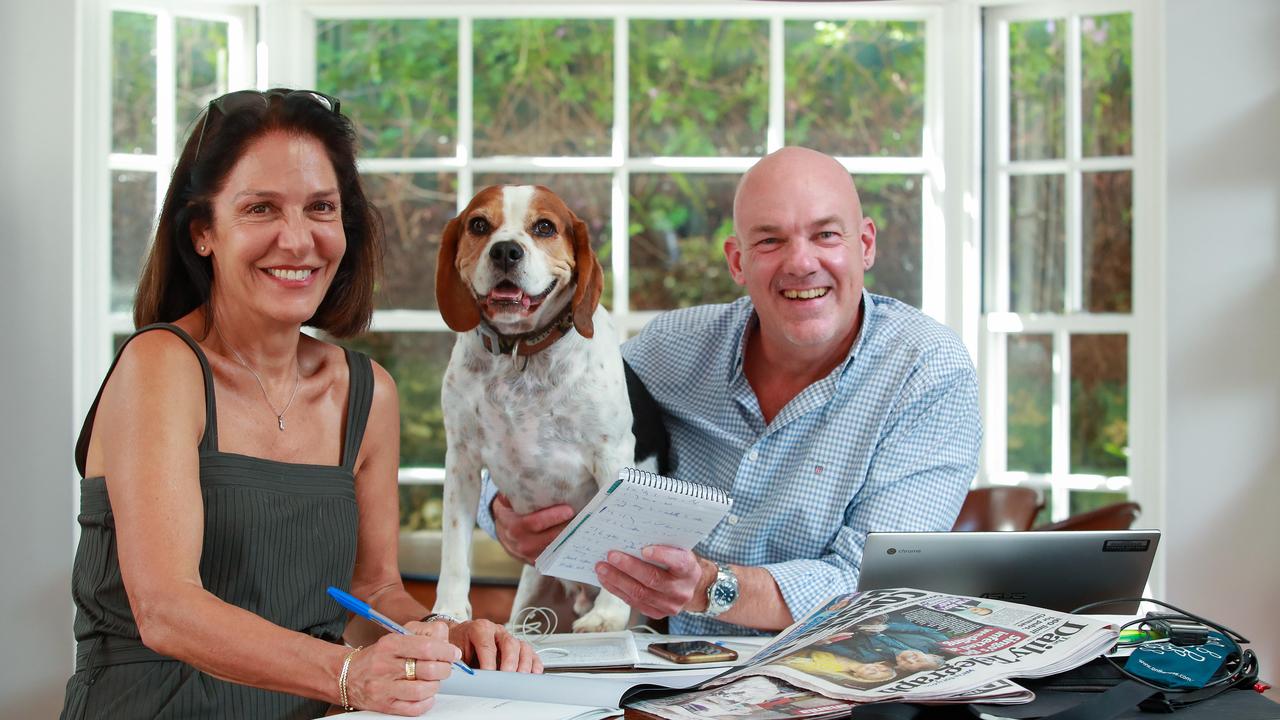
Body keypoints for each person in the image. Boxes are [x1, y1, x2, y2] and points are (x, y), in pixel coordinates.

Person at [61, 89, 538, 720]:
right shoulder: (160, 366)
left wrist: (442, 636)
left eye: (321, 208)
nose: (297, 239)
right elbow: (167, 611)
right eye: (261, 208)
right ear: (203, 231)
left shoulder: (369, 393)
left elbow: (373, 593)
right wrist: (346, 674)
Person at [481, 146, 981, 636]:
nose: (801, 263)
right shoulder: (670, 349)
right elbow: (531, 429)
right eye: (770, 241)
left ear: (865, 245)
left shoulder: (928, 371)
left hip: (841, 680)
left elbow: (872, 581)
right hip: (665, 676)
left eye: (826, 235)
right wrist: (502, 514)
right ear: (737, 261)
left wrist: (708, 587)